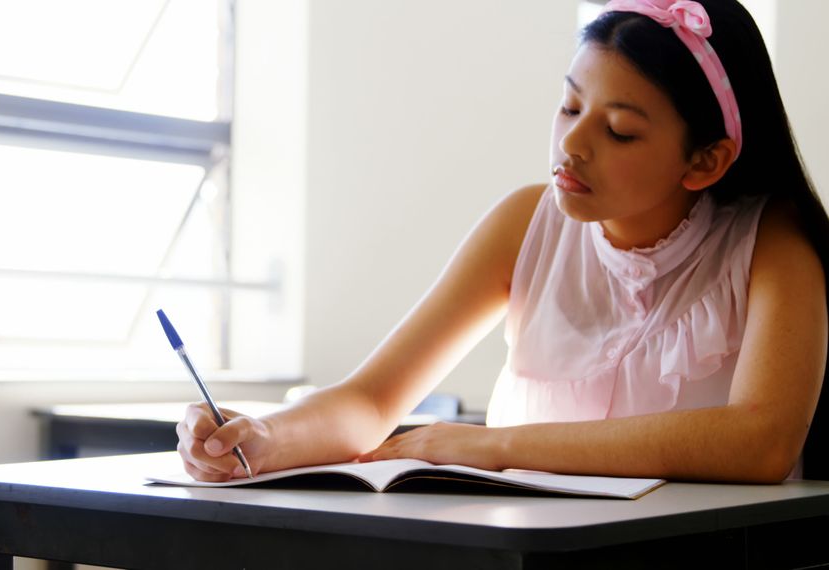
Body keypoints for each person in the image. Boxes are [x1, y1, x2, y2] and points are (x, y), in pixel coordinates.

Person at [177, 0, 829, 484]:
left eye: (620, 131)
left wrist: (499, 444)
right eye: (570, 107)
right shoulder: (525, 223)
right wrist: (263, 436)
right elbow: (371, 400)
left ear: (707, 161)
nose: (572, 145)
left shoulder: (770, 240)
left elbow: (760, 441)